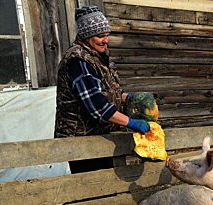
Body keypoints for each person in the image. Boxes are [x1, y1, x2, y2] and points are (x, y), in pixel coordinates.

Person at [55, 5, 150, 172]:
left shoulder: (99, 56)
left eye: (107, 35)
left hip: (102, 135)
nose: (105, 40)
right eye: (100, 36)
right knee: (91, 190)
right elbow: (97, 106)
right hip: (82, 140)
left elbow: (108, 90)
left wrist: (127, 97)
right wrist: (132, 122)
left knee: (109, 185)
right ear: (86, 35)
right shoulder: (78, 61)